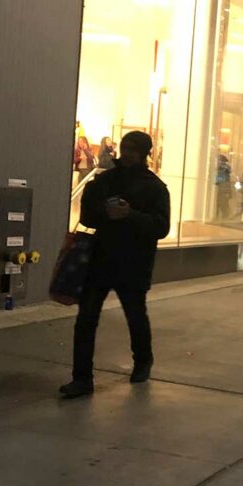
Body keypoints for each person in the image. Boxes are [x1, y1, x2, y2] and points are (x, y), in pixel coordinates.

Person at [60, 130, 170, 399]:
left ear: (144, 153)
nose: (128, 153)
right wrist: (104, 212)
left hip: (133, 263)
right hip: (100, 259)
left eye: (134, 149)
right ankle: (82, 378)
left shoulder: (155, 187)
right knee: (86, 321)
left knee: (135, 317)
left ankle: (142, 360)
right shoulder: (105, 180)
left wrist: (129, 215)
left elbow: (161, 227)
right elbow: (87, 216)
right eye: (126, 148)